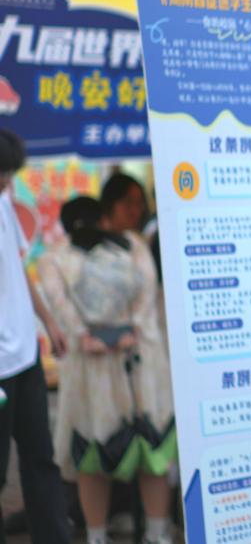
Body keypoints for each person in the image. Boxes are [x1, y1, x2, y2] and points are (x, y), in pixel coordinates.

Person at [38, 183, 176, 544]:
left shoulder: (125, 247)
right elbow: (144, 292)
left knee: (142, 449)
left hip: (122, 362)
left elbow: (60, 301)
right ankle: (130, 533)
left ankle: (127, 533)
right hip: (113, 364)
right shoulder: (120, 248)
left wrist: (94, 335)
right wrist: (112, 332)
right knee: (101, 452)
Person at [0, 130, 71, 544]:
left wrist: (49, 322)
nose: (7, 181)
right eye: (2, 173)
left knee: (41, 458)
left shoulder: (4, 204)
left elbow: (18, 270)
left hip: (25, 356)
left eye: (10, 172)